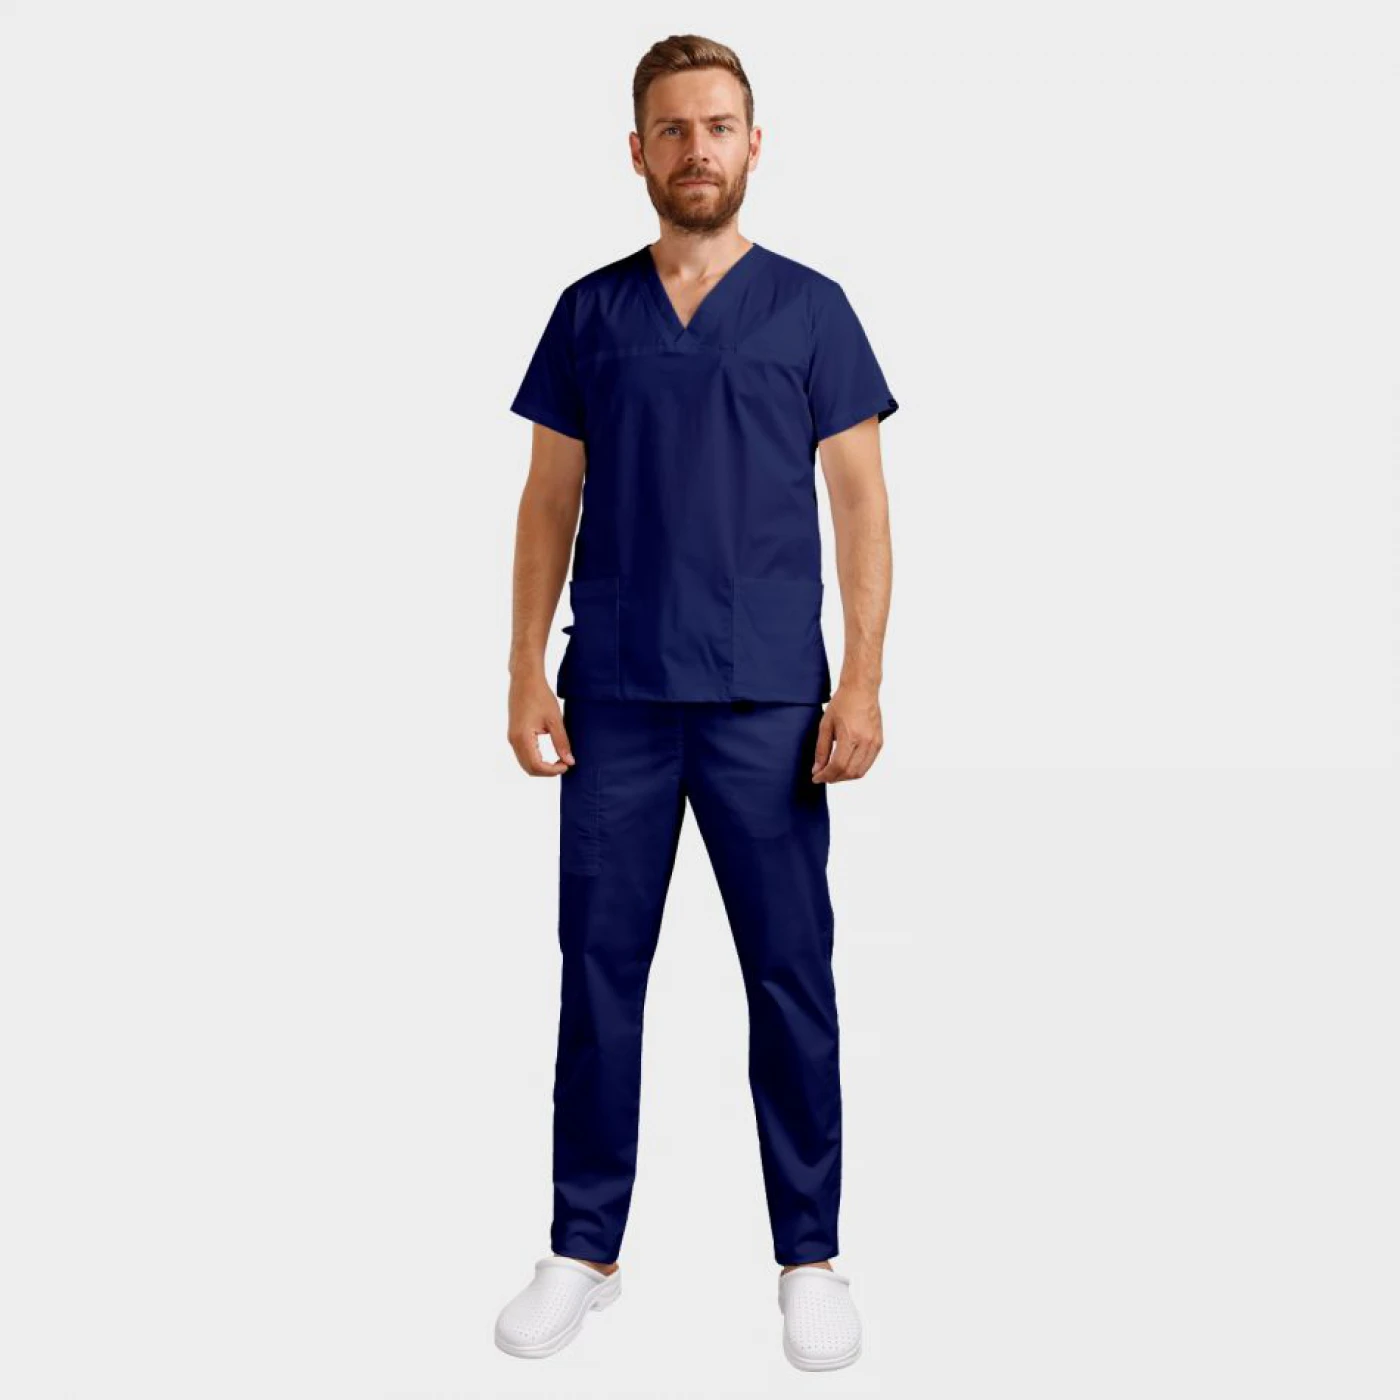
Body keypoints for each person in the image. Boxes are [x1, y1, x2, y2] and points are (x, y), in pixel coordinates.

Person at [494, 34, 897, 1372]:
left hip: (768, 703)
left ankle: (810, 1256)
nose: (697, 149)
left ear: (754, 143)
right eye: (672, 129)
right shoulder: (590, 314)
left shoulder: (812, 311)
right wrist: (521, 667)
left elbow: (861, 508)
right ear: (638, 151)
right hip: (615, 693)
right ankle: (583, 1247)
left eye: (719, 126)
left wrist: (862, 679)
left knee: (790, 976)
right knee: (599, 973)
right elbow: (549, 501)